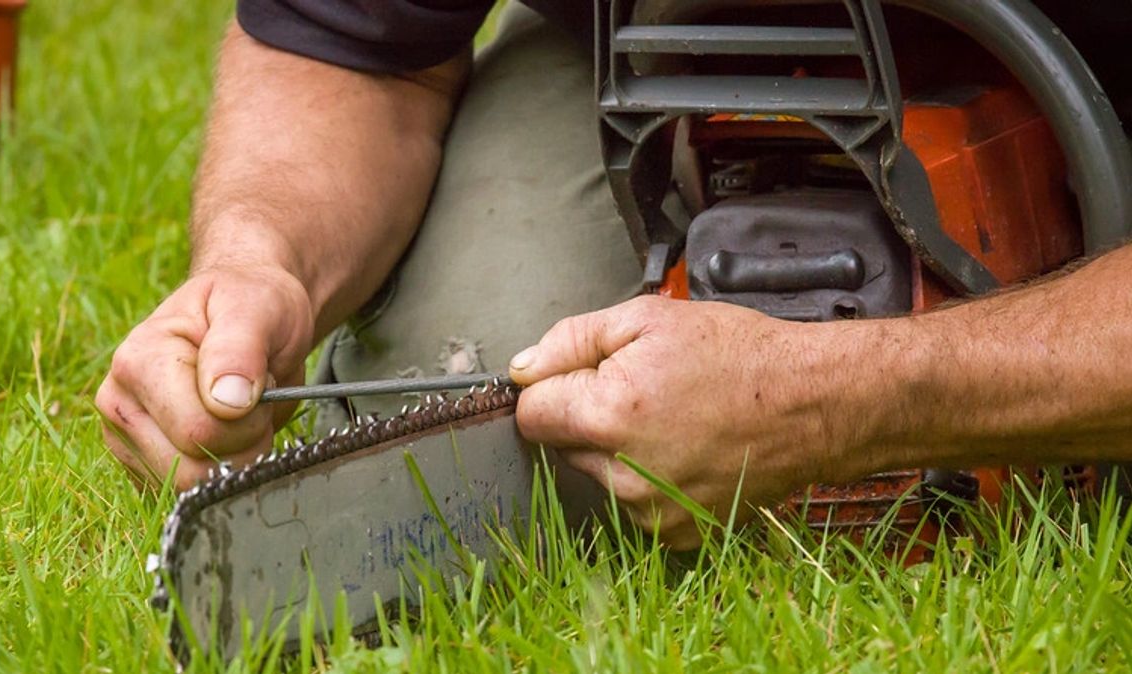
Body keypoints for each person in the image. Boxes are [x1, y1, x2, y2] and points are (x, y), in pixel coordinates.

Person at [97, 0, 1132, 549]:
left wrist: (853, 396)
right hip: (667, 49)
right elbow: (352, 46)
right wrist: (260, 259)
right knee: (476, 377)